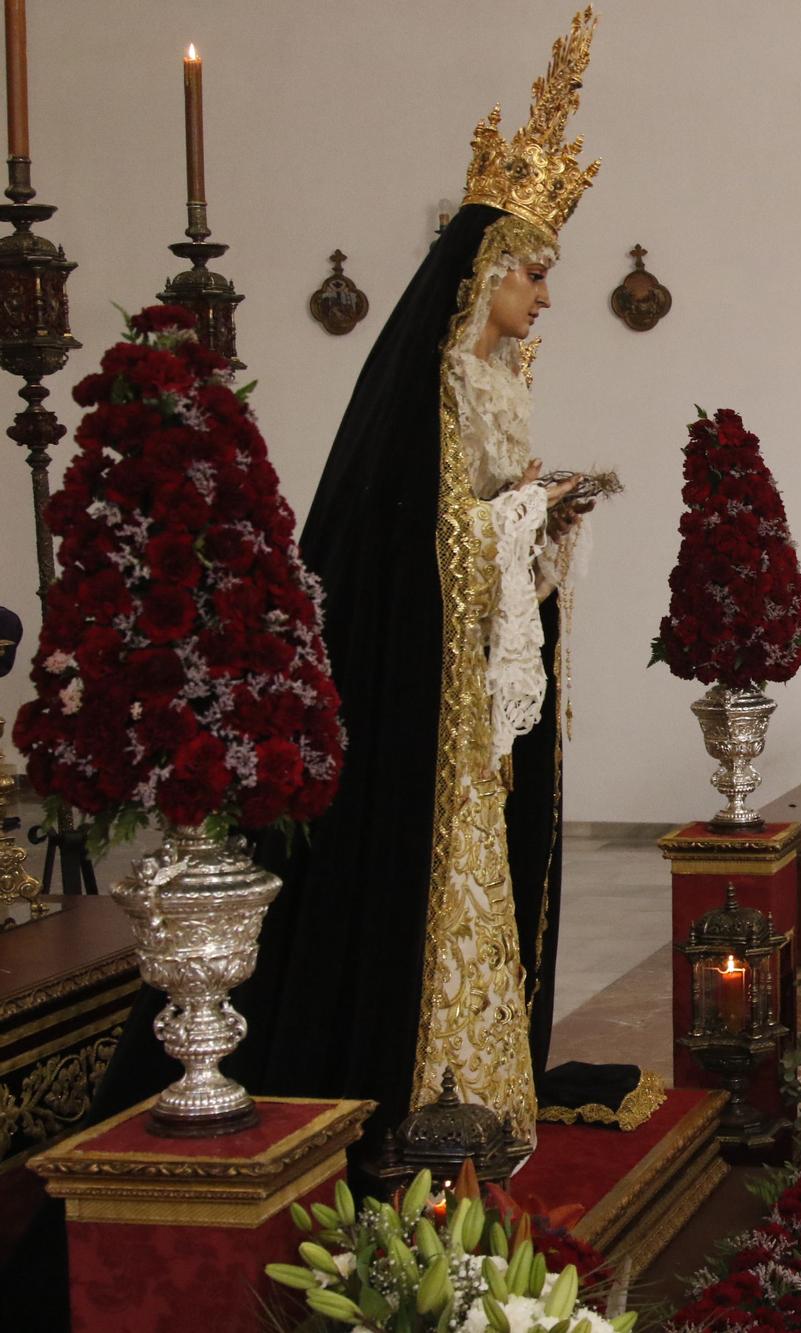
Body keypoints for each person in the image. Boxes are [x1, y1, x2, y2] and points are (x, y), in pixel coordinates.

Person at [97, 11, 657, 1151]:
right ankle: (411, 1077)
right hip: (421, 696)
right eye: (535, 276)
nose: (545, 299)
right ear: (487, 274)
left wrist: (539, 525)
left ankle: (481, 1069)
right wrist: (516, 515)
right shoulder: (432, 386)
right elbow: (415, 541)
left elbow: (475, 535)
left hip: (475, 691)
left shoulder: (491, 386)